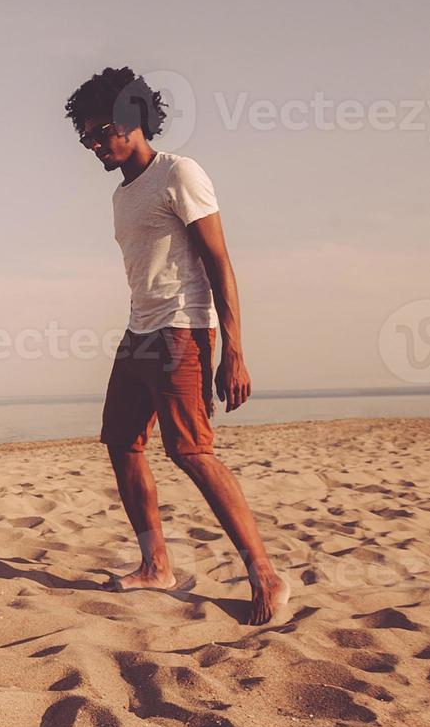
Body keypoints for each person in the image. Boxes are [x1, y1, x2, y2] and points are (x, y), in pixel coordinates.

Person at [66, 66, 290, 625]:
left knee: (190, 451)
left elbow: (219, 261)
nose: (94, 145)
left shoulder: (179, 174)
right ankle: (156, 564)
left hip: (183, 329)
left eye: (100, 133)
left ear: (132, 120)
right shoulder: (123, 195)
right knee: (121, 442)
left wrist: (232, 350)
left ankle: (264, 573)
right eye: (86, 137)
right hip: (140, 330)